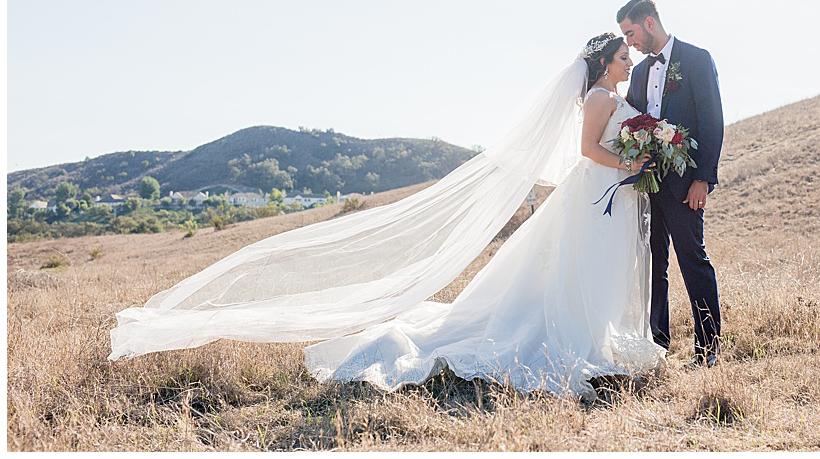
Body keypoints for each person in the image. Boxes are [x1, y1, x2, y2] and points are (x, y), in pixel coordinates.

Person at [109, 33, 664, 401]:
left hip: (611, 197)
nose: (628, 62)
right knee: (578, 271)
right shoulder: (597, 98)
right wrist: (633, 159)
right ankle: (581, 339)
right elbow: (592, 150)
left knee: (596, 269)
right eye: (622, 57)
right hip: (600, 189)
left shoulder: (610, 96)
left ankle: (602, 336)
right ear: (602, 63)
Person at [617, 0, 724, 367]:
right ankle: (657, 347)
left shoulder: (696, 59)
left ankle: (709, 350)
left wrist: (703, 180)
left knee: (693, 259)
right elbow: (630, 119)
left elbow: (712, 122)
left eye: (631, 33)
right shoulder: (640, 73)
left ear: (649, 23)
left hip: (684, 185)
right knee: (652, 265)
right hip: (649, 184)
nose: (629, 43)